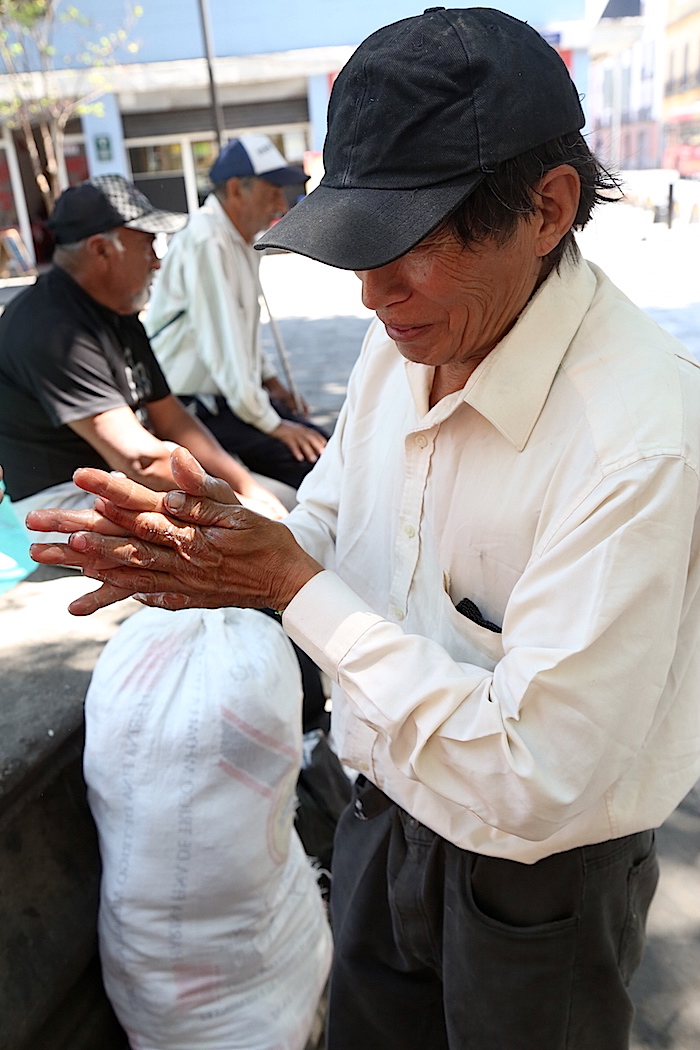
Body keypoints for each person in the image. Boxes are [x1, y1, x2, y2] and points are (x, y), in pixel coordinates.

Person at [28, 9, 700, 1050]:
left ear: (548, 208)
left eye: (409, 248)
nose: (371, 295)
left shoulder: (640, 445)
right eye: (356, 248)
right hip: (378, 808)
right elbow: (335, 525)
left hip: (536, 888)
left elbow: (533, 774)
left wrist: (289, 583)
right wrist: (224, 534)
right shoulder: (410, 342)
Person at [0, 174, 287, 536]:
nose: (157, 262)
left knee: (283, 502)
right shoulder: (51, 328)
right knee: (237, 540)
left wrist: (246, 487)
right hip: (65, 499)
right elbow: (141, 461)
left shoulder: (116, 308)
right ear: (102, 250)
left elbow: (172, 418)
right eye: (148, 246)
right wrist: (236, 505)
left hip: (122, 479)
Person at [143, 134, 327, 491]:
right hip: (196, 404)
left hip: (225, 398)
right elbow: (224, 344)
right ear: (236, 190)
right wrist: (273, 423)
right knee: (317, 468)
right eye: (272, 190)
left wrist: (273, 383)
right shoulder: (207, 240)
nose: (280, 203)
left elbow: (241, 333)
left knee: (327, 454)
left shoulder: (237, 239)